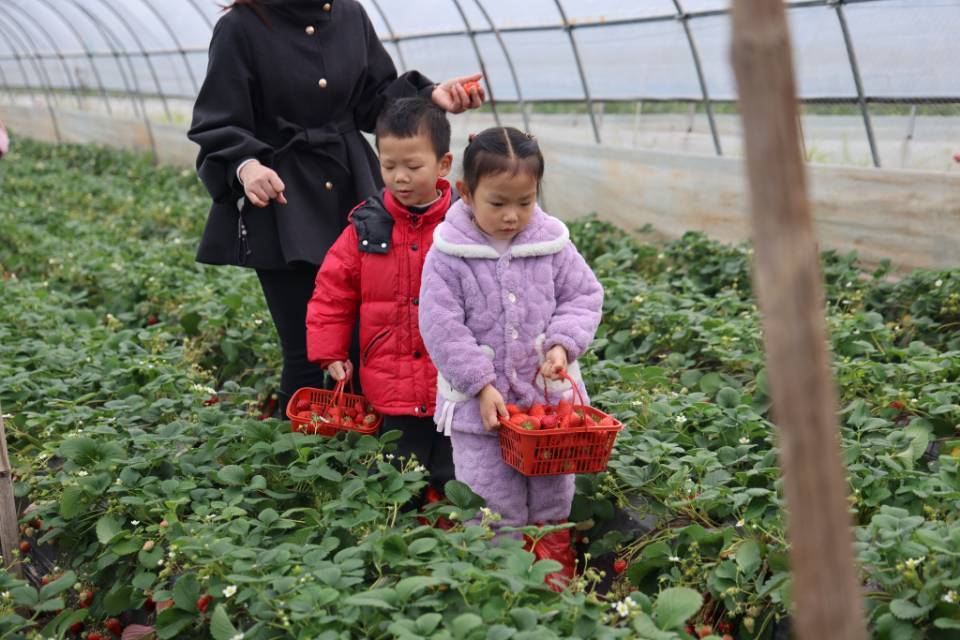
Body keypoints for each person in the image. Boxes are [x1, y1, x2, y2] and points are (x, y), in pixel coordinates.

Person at [188, 0, 484, 413]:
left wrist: (431, 95)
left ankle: (370, 450)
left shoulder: (350, 15)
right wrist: (246, 165)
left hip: (349, 188)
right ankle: (298, 457)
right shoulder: (241, 27)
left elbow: (374, 100)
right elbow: (217, 121)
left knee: (366, 340)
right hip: (281, 199)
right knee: (305, 350)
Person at [418, 127, 604, 589]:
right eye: (498, 203)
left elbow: (584, 296)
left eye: (524, 201)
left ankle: (551, 575)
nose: (512, 216)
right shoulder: (448, 253)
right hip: (479, 410)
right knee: (489, 496)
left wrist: (562, 344)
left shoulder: (552, 242)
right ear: (466, 192)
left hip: (547, 406)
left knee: (552, 492)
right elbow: (442, 326)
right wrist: (480, 385)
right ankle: (501, 585)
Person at [306, 97, 455, 498]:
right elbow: (331, 294)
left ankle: (453, 539)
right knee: (397, 476)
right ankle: (401, 538)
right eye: (388, 166)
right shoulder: (364, 226)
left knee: (454, 471)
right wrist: (330, 352)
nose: (399, 177)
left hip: (453, 382)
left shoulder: (463, 224)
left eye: (413, 166)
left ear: (444, 165)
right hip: (390, 381)